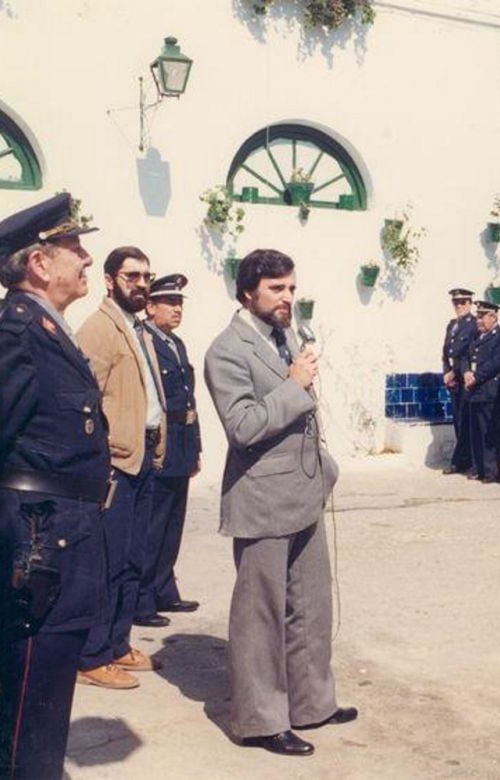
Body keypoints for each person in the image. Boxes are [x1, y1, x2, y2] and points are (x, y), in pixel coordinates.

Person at [0, 193, 110, 779]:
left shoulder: (48, 328)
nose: (87, 258)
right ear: (40, 264)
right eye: (75, 247)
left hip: (53, 549)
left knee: (30, 715)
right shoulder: (13, 332)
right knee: (27, 718)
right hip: (31, 557)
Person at [204, 248, 353, 757]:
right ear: (248, 292)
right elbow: (243, 426)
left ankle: (313, 703)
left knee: (311, 604)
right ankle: (262, 720)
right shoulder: (226, 350)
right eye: (276, 289)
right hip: (262, 497)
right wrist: (294, 386)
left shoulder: (284, 335)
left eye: (291, 287)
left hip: (304, 490)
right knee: (261, 613)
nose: (288, 298)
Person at [75, 246, 166, 689]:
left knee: (134, 558)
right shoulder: (99, 329)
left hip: (144, 456)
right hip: (115, 462)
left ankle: (117, 643)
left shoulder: (139, 328)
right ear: (110, 280)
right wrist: (100, 459)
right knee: (107, 562)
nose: (143, 283)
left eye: (147, 275)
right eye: (133, 276)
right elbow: (83, 402)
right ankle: (91, 655)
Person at [138, 274, 201, 621]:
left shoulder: (176, 344)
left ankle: (165, 589)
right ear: (150, 306)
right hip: (161, 441)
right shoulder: (145, 341)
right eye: (169, 303)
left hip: (182, 440)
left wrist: (197, 446)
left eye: (179, 304)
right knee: (153, 524)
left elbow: (189, 399)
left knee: (173, 521)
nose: (177, 309)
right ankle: (142, 598)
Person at [463, 300, 500, 482]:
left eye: (482, 317)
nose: (479, 321)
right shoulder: (476, 337)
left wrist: (477, 376)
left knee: (490, 431)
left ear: (493, 316)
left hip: (492, 390)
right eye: (478, 317)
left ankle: (492, 471)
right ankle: (478, 467)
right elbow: (465, 356)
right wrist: (466, 371)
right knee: (476, 430)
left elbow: (497, 362)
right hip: (474, 390)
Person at [441, 288, 477, 475]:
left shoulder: (473, 325)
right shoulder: (452, 325)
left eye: (463, 302)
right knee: (458, 420)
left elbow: (466, 353)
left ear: (470, 303)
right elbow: (446, 353)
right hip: (453, 379)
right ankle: (461, 460)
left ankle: (468, 461)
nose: (460, 306)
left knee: (466, 421)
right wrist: (446, 372)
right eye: (456, 303)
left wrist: (454, 373)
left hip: (465, 377)